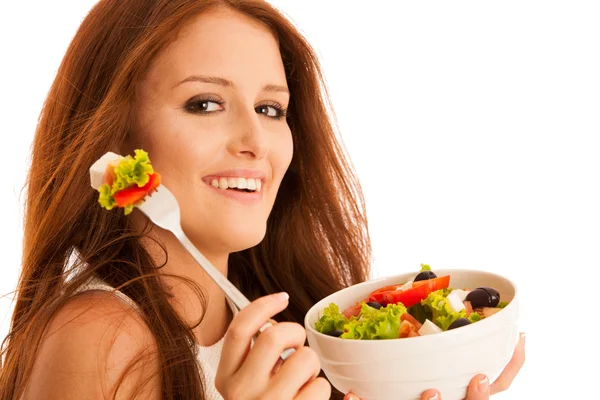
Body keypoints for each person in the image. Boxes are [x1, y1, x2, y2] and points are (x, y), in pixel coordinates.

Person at [0, 1, 525, 399]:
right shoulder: (99, 336)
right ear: (116, 133)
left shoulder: (278, 325)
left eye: (271, 109)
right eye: (205, 103)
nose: (255, 141)